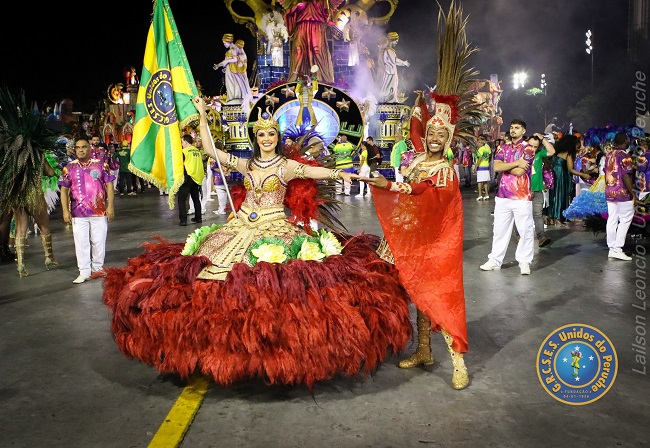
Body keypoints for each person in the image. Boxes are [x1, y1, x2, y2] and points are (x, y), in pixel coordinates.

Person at [100, 96, 413, 389]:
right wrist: (203, 115)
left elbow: (314, 171)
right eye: (262, 136)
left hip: (274, 226)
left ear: (277, 138)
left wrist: (340, 175)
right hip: (240, 225)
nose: (266, 140)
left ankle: (271, 348)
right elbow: (210, 150)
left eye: (271, 135)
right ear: (256, 139)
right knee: (212, 275)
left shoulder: (285, 166)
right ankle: (219, 345)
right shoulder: (246, 165)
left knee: (273, 283)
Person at [480, 119, 536, 275]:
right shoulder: (502, 147)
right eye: (512, 128)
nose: (513, 130)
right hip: (503, 195)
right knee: (499, 230)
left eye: (517, 128)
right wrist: (516, 163)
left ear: (523, 131)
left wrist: (507, 166)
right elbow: (496, 166)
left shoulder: (529, 148)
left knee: (525, 230)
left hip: (522, 196)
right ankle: (495, 260)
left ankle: (524, 261)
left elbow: (520, 172)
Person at [59, 138, 115, 283]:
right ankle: (84, 271)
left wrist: (110, 206)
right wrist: (65, 211)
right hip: (78, 213)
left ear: (89, 148)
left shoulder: (101, 165)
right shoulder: (68, 168)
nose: (81, 150)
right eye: (78, 148)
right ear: (75, 150)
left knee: (99, 241)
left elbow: (109, 185)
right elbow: (64, 190)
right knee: (81, 243)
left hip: (99, 211)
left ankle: (98, 269)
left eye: (84, 147)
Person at [284, 0, 337, 83]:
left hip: (317, 26)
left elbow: (328, 13)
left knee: (318, 51)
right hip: (301, 26)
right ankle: (298, 78)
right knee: (299, 51)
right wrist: (297, 7)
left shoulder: (322, 1)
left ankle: (320, 78)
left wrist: (328, 14)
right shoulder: (298, 1)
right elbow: (289, 13)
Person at [604, 132, 635, 260]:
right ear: (625, 140)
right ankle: (617, 248)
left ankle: (612, 248)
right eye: (628, 139)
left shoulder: (609, 155)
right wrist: (633, 194)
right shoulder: (624, 156)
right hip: (622, 193)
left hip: (610, 191)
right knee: (625, 219)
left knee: (612, 220)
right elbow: (626, 175)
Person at [547, 135, 591, 225]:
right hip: (561, 174)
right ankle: (558, 217)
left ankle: (551, 217)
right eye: (577, 147)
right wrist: (584, 175)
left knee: (554, 195)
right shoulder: (569, 153)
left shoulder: (559, 152)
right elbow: (571, 169)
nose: (578, 149)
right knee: (560, 194)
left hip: (555, 172)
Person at [528, 133, 556, 247]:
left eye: (535, 146)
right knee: (522, 215)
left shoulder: (539, 154)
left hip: (538, 190)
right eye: (531, 145)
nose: (532, 149)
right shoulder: (520, 155)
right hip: (524, 191)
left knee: (538, 215)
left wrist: (543, 139)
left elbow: (552, 151)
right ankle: (519, 235)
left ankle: (541, 237)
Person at [213, 34, 252, 104]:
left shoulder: (232, 49)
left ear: (228, 41)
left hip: (232, 72)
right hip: (232, 70)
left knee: (232, 85)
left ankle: (234, 98)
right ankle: (235, 98)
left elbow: (234, 59)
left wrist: (219, 65)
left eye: (224, 43)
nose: (224, 45)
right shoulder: (237, 49)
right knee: (235, 85)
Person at [177, 134, 203, 226]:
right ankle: (198, 218)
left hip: (187, 177)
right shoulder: (197, 151)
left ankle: (183, 220)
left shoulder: (184, 151)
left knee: (181, 199)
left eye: (182, 142)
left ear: (186, 142)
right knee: (196, 199)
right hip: (196, 177)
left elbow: (179, 165)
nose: (182, 144)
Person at [378, 32, 410, 103]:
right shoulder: (388, 50)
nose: (396, 43)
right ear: (393, 40)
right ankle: (385, 99)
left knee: (392, 86)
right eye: (396, 41)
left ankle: (391, 99)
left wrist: (404, 63)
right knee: (387, 86)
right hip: (389, 72)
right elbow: (394, 60)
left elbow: (395, 61)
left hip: (392, 71)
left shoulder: (390, 50)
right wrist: (404, 62)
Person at [474, 134, 492, 200]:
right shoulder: (487, 148)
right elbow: (489, 155)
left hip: (481, 167)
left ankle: (480, 195)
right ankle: (487, 195)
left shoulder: (480, 149)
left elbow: (480, 158)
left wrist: (476, 166)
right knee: (485, 181)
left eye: (478, 142)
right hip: (486, 167)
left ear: (480, 142)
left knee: (479, 181)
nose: (477, 143)